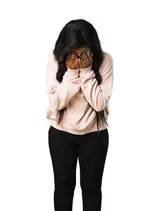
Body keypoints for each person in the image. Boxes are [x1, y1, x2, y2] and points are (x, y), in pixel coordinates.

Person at [46, 19, 113, 211]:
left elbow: (99, 104)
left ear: (93, 50)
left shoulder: (105, 60)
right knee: (63, 189)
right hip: (61, 134)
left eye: (83, 53)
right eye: (73, 53)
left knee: (92, 190)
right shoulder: (54, 59)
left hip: (95, 135)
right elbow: (57, 102)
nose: (78, 58)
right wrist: (71, 73)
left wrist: (86, 71)